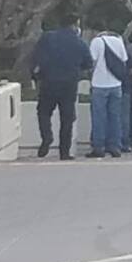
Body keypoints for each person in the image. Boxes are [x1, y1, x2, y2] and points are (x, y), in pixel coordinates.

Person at [31, 11, 92, 160]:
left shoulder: (47, 38)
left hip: (48, 82)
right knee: (67, 118)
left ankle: (47, 136)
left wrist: (37, 75)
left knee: (43, 112)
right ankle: (64, 152)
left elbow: (35, 58)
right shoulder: (79, 42)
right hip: (69, 84)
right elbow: (88, 63)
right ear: (74, 25)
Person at [87, 25, 129, 159]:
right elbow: (124, 60)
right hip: (116, 84)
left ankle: (98, 146)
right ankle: (115, 146)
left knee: (99, 117)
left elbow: (91, 62)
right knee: (115, 116)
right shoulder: (118, 40)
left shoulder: (96, 42)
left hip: (99, 83)